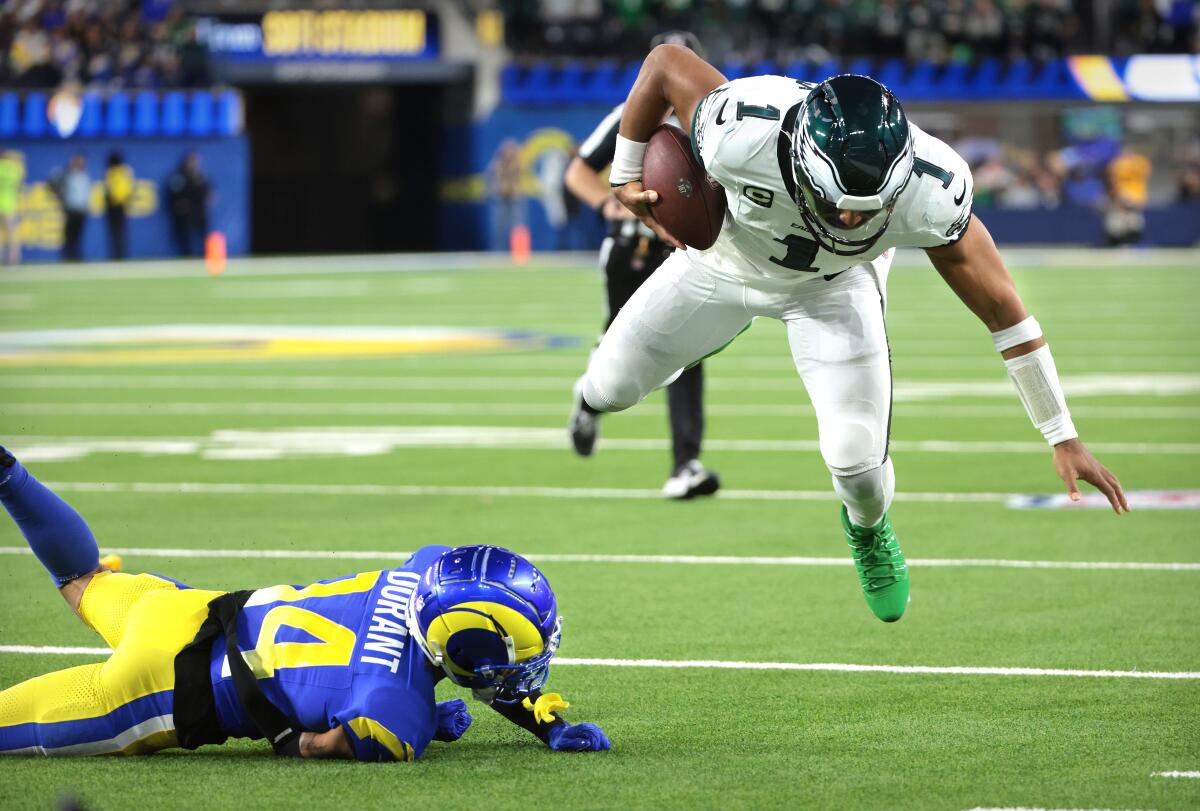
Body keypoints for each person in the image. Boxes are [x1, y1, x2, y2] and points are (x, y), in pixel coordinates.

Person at [581, 45, 1130, 623]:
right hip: (718, 262)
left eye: (865, 211)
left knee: (856, 463)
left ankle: (868, 532)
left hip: (833, 289)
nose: (848, 219)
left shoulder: (930, 188)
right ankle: (703, 336)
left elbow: (1005, 313)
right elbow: (666, 63)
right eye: (837, 204)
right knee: (606, 390)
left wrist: (1061, 434)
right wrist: (624, 173)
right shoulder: (744, 128)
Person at [0, 447, 610, 759]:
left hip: (182, 608)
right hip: (158, 688)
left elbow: (426, 646)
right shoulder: (398, 714)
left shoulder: (424, 569)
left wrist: (532, 718)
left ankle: (10, 476)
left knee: (80, 574)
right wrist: (403, 717)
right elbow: (314, 746)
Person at [565, 31, 718, 500]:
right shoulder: (626, 116)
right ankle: (589, 401)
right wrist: (605, 206)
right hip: (630, 251)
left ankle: (685, 465)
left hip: (682, 250)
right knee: (620, 347)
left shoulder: (712, 120)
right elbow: (577, 172)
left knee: (687, 350)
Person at [166, 152, 210, 257]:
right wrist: (179, 204)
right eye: (192, 161)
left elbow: (208, 191)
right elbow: (174, 193)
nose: (194, 164)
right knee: (186, 236)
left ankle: (206, 256)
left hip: (199, 211)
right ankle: (188, 257)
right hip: (186, 212)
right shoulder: (179, 176)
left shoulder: (200, 176)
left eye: (196, 162)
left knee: (204, 235)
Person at [52, 153, 91, 262]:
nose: (81, 164)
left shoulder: (85, 176)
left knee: (78, 236)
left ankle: (77, 258)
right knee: (69, 236)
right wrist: (61, 199)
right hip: (70, 210)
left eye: (82, 161)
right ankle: (66, 258)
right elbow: (53, 183)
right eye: (78, 161)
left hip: (82, 211)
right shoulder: (67, 175)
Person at [103, 151, 134, 260]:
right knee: (119, 233)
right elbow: (129, 189)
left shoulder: (111, 172)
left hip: (115, 206)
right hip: (119, 206)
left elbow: (110, 190)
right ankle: (119, 255)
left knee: (117, 233)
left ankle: (118, 255)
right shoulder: (125, 171)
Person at [0, 149, 24, 265]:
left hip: (5, 204)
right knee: (11, 233)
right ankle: (14, 258)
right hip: (9, 205)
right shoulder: (14, 169)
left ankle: (5, 257)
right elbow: (20, 184)